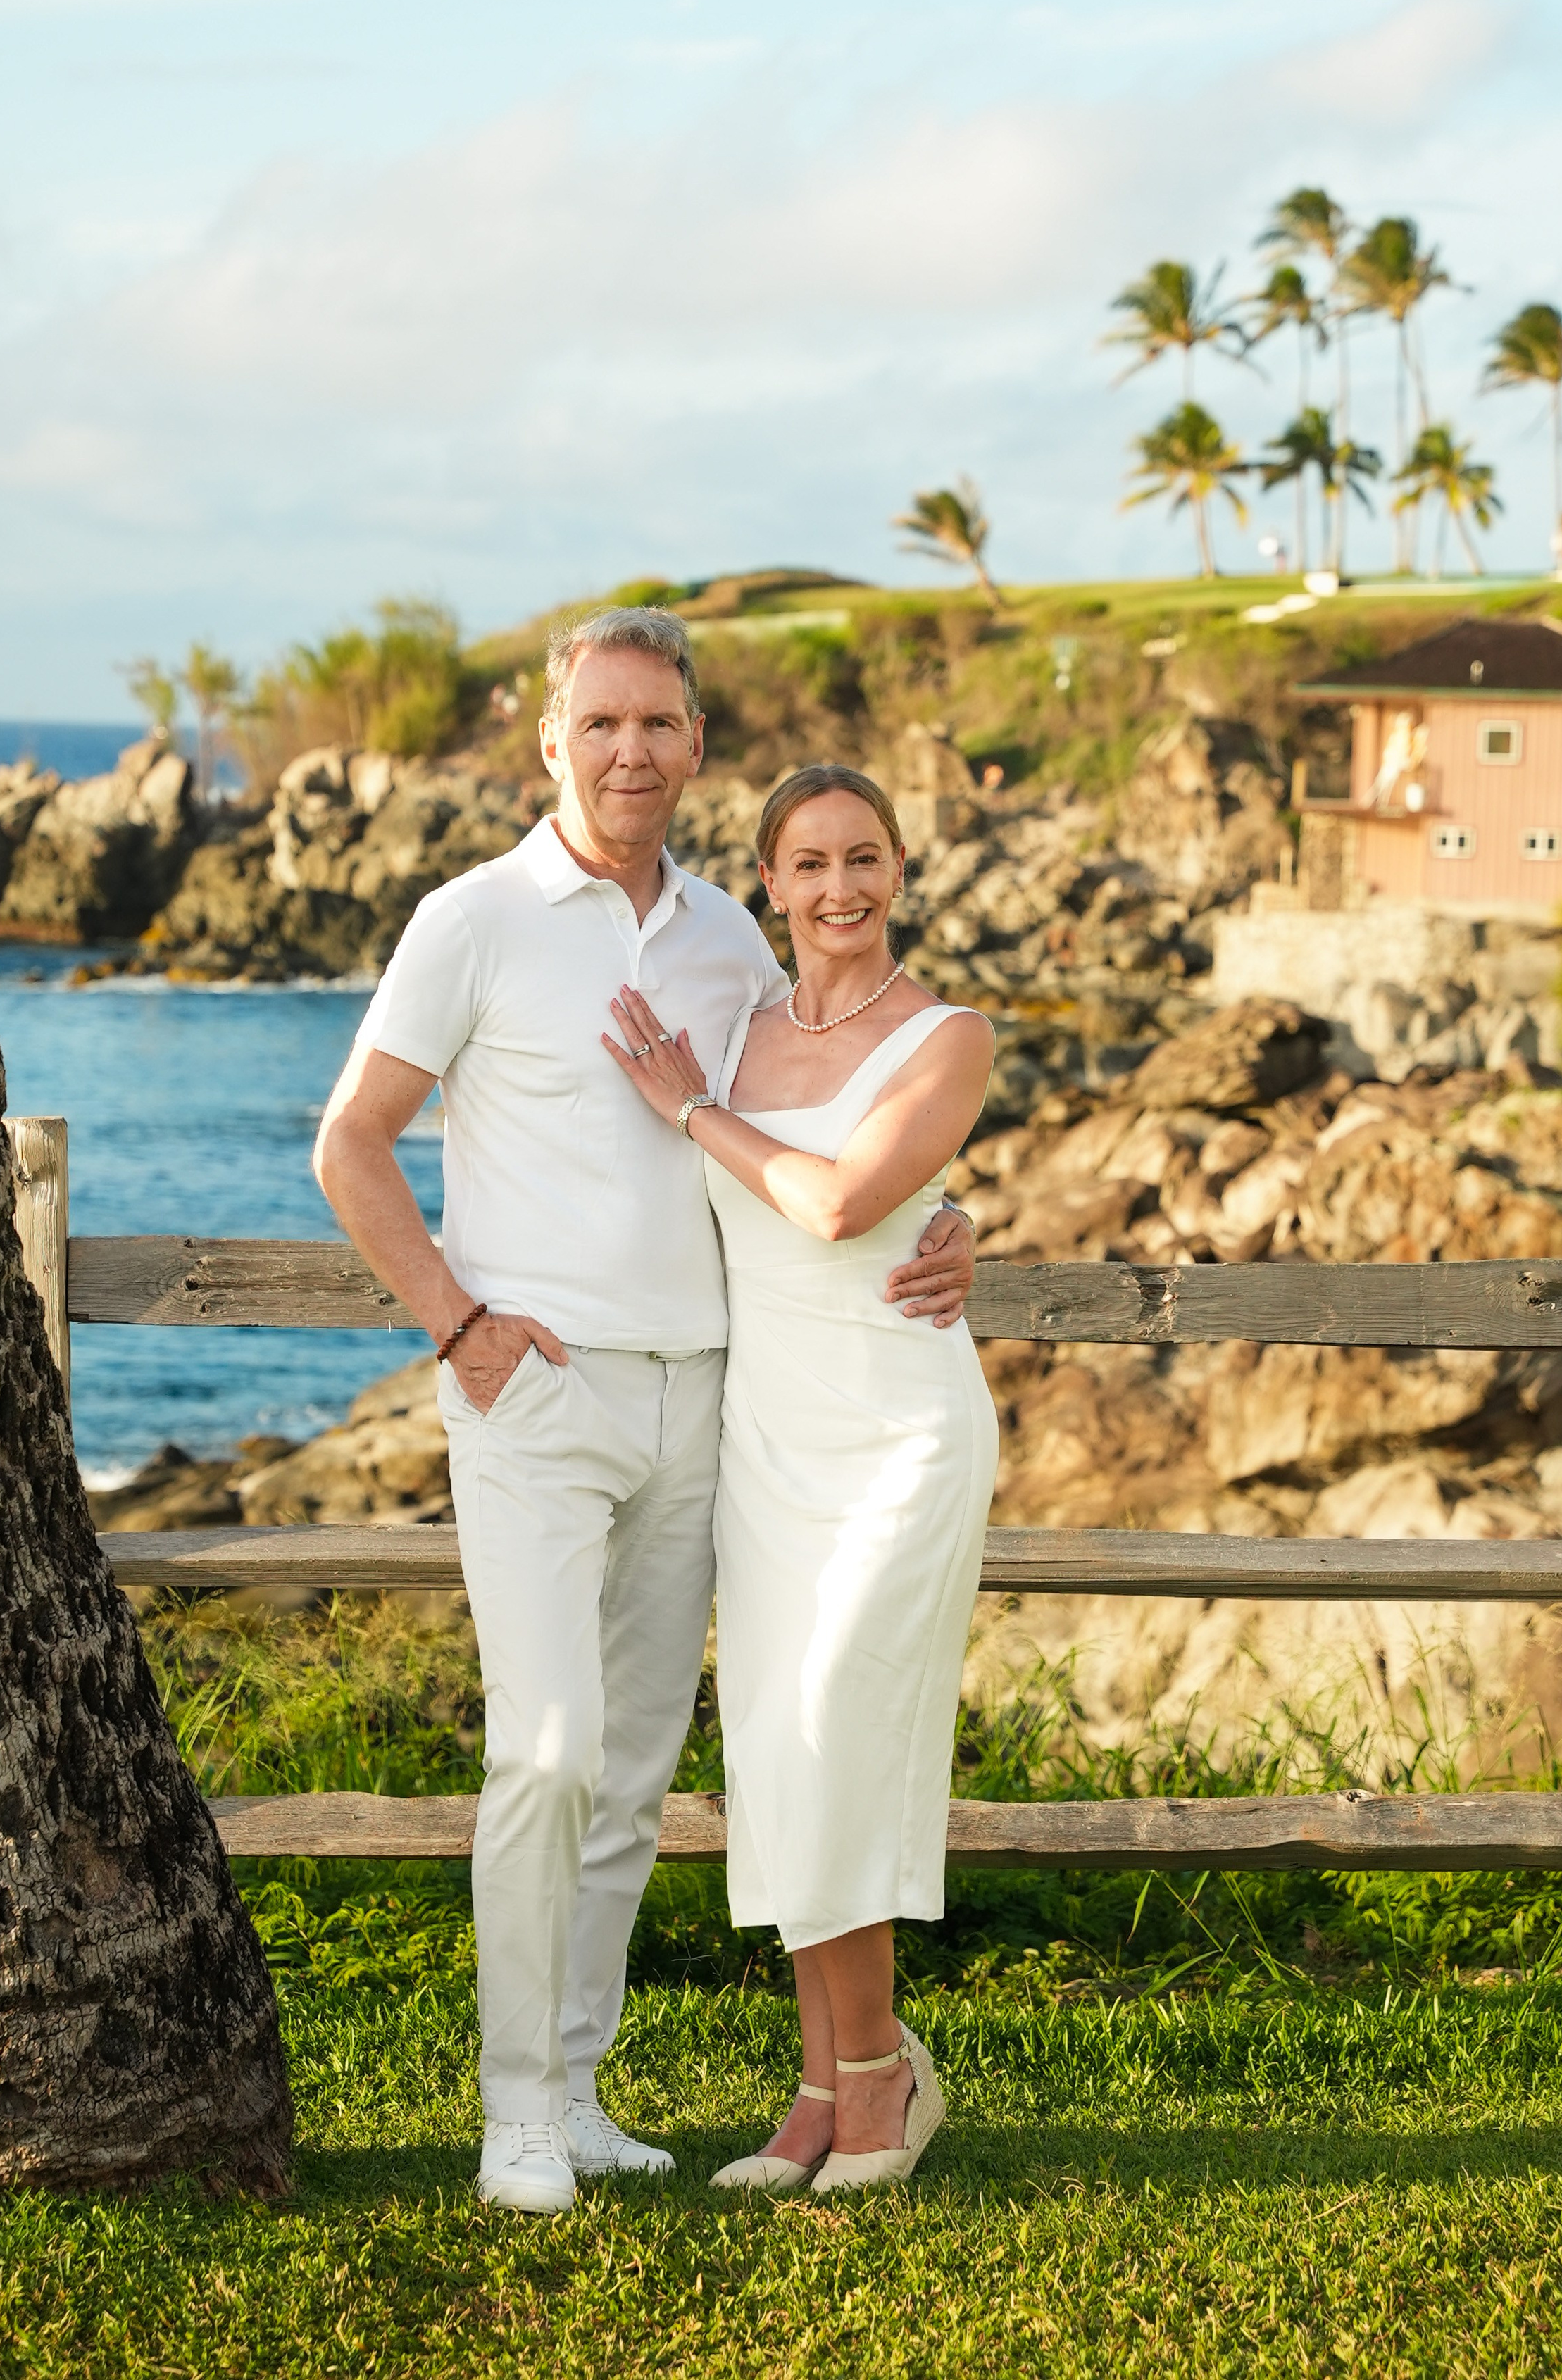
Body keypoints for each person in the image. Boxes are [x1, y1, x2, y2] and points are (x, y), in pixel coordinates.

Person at [312, 611, 977, 2213]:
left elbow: (824, 1115)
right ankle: (515, 2112)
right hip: (536, 1396)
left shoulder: (726, 945)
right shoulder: (467, 918)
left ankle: (587, 2087)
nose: (628, 750)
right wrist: (457, 1326)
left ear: (691, 744)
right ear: (552, 739)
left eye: (658, 725)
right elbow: (352, 1144)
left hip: (712, 1407)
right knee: (539, 1750)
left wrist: (953, 1222)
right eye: (599, 721)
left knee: (624, 1773)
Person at [605, 761, 998, 2194]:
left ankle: (883, 2070)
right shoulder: (739, 1028)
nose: (838, 889)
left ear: (899, 869)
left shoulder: (950, 1033)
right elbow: (726, 1217)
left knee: (836, 1719)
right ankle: (823, 2085)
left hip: (898, 1427)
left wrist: (685, 1108)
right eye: (808, 863)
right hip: (766, 1440)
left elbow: (837, 1200)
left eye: (863, 858)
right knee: (778, 1755)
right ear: (767, 880)